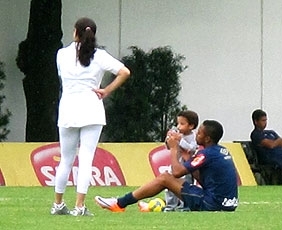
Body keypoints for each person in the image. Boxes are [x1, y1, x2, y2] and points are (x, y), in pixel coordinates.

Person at [50, 17, 130, 216]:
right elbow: (124, 72)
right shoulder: (99, 55)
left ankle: (58, 204)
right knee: (86, 159)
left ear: (75, 32)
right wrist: (106, 90)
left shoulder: (61, 54)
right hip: (91, 108)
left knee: (66, 159)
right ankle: (79, 206)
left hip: (68, 108)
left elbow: (62, 76)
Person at [95, 120, 238, 212]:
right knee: (171, 181)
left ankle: (119, 203)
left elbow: (176, 173)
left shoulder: (206, 154)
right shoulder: (219, 150)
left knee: (165, 178)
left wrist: (174, 148)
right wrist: (186, 157)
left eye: (199, 133)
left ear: (207, 138)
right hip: (228, 204)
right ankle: (149, 205)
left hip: (212, 204)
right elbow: (205, 180)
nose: (196, 136)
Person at [163, 110, 199, 212]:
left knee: (185, 187)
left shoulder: (193, 137)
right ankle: (170, 206)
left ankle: (185, 206)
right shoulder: (179, 134)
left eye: (182, 124)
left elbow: (191, 149)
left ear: (191, 126)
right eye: (178, 123)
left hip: (186, 167)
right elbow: (169, 147)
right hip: (175, 164)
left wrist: (180, 140)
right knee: (169, 185)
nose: (178, 127)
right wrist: (169, 139)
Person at [250, 109, 282, 182]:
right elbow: (271, 145)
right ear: (256, 122)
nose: (265, 123)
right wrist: (278, 141)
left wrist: (277, 142)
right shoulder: (256, 134)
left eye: (266, 120)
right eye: (263, 120)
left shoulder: (271, 132)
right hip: (272, 155)